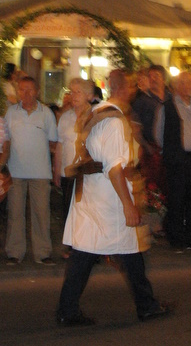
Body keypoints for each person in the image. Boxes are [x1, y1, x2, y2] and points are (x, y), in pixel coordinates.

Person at [56, 69, 172, 326]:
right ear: (124, 88)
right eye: (131, 86)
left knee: (91, 252)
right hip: (107, 198)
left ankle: (69, 308)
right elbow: (114, 167)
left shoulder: (96, 114)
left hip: (92, 194)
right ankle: (145, 305)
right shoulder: (113, 121)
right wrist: (128, 204)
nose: (133, 91)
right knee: (120, 250)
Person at [1, 77, 57, 265]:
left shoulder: (46, 113)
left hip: (40, 172)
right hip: (16, 171)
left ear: (37, 91)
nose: (26, 93)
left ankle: (43, 252)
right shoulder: (11, 113)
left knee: (41, 213)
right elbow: (5, 141)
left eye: (30, 90)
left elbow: (53, 142)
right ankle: (15, 252)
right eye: (22, 90)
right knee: (15, 213)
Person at [161, 71, 191, 252]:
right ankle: (176, 238)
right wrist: (172, 154)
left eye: (189, 83)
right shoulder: (168, 106)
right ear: (176, 86)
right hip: (178, 160)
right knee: (177, 199)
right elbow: (160, 133)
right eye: (183, 83)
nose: (187, 87)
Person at [54, 78, 94, 258]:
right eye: (72, 91)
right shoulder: (65, 118)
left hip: (88, 174)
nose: (74, 96)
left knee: (88, 211)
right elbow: (60, 146)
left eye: (78, 92)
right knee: (69, 210)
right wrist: (57, 170)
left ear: (88, 95)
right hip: (68, 172)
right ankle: (72, 247)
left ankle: (90, 248)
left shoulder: (95, 116)